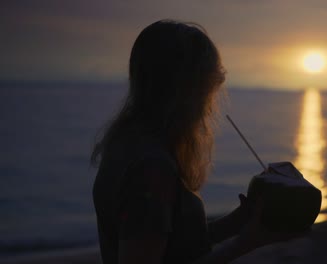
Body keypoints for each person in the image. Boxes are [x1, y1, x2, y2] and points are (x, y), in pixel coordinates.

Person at [91, 20, 299, 264]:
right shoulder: (152, 168)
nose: (209, 107)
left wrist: (238, 221)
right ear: (186, 91)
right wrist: (248, 242)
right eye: (208, 91)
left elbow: (175, 245)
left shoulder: (127, 142)